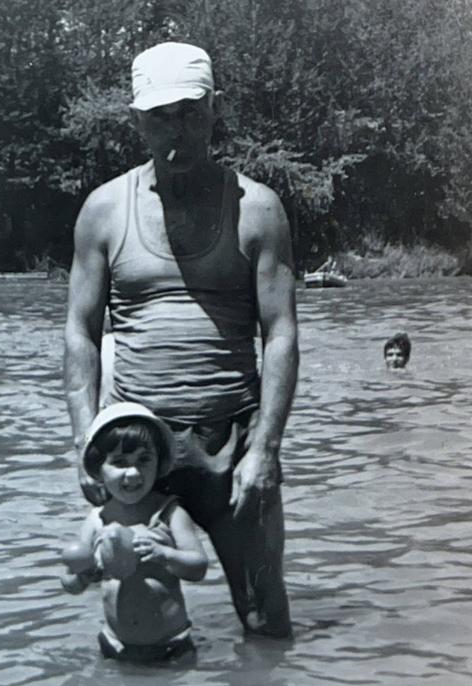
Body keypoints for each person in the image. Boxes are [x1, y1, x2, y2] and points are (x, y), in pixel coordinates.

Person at [63, 42, 299, 638]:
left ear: (214, 109)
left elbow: (280, 333)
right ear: (137, 119)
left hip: (234, 441)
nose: (178, 128)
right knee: (138, 624)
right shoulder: (103, 211)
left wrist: (266, 448)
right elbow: (80, 331)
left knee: (265, 618)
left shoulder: (259, 210)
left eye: (191, 111)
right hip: (136, 449)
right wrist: (85, 440)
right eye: (161, 114)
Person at [60, 402, 208, 662]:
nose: (133, 472)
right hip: (115, 646)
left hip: (172, 646)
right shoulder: (97, 520)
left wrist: (164, 554)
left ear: (159, 463)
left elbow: (199, 567)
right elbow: (69, 582)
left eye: (144, 460)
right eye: (119, 462)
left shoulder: (169, 514)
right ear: (98, 469)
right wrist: (82, 577)